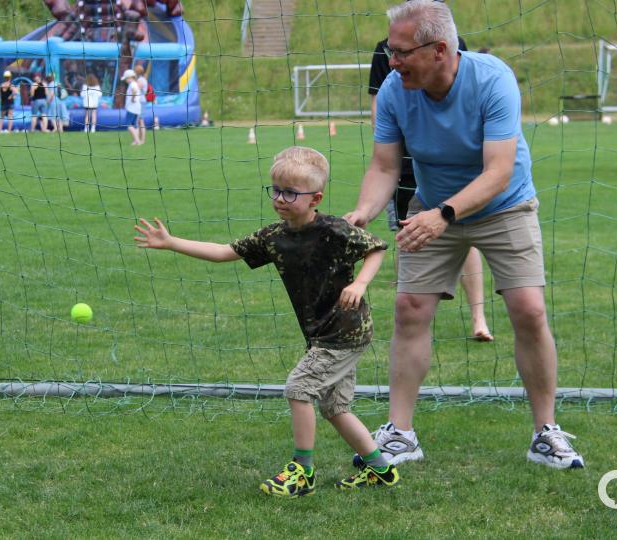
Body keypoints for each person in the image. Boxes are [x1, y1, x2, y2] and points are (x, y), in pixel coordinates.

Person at [344, 0, 584, 470]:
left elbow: (498, 172)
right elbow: (385, 165)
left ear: (438, 51)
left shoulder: (493, 79)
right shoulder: (395, 89)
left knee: (529, 310)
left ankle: (546, 432)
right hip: (434, 203)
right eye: (390, 51)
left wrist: (444, 215)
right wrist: (363, 211)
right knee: (410, 308)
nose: (391, 62)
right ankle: (400, 434)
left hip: (504, 204)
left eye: (400, 52)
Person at [134, 146, 400, 497]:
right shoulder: (273, 237)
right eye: (275, 189)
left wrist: (360, 283)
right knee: (335, 407)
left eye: (290, 192)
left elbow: (376, 247)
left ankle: (302, 471)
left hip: (345, 330)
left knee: (298, 388)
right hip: (323, 333)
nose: (280, 198)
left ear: (315, 197)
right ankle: (380, 470)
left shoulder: (334, 230)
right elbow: (224, 252)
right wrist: (171, 243)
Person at [369, 30, 493, 342]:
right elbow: (378, 105)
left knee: (464, 233)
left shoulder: (455, 44)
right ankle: (415, 313)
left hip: (455, 164)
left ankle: (479, 316)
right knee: (406, 232)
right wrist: (391, 143)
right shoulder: (384, 49)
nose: (397, 60)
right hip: (407, 161)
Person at [122, 69, 143, 145]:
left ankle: (137, 140)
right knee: (135, 125)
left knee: (128, 125)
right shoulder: (135, 83)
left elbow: (134, 91)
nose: (126, 80)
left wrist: (133, 98)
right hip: (137, 107)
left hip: (132, 108)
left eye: (126, 79)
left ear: (130, 77)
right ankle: (136, 141)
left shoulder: (132, 84)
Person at [134, 64, 149, 141]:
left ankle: (141, 139)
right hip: (141, 101)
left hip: (140, 101)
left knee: (140, 120)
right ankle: (139, 139)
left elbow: (136, 89)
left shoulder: (140, 80)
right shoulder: (142, 79)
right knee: (139, 121)